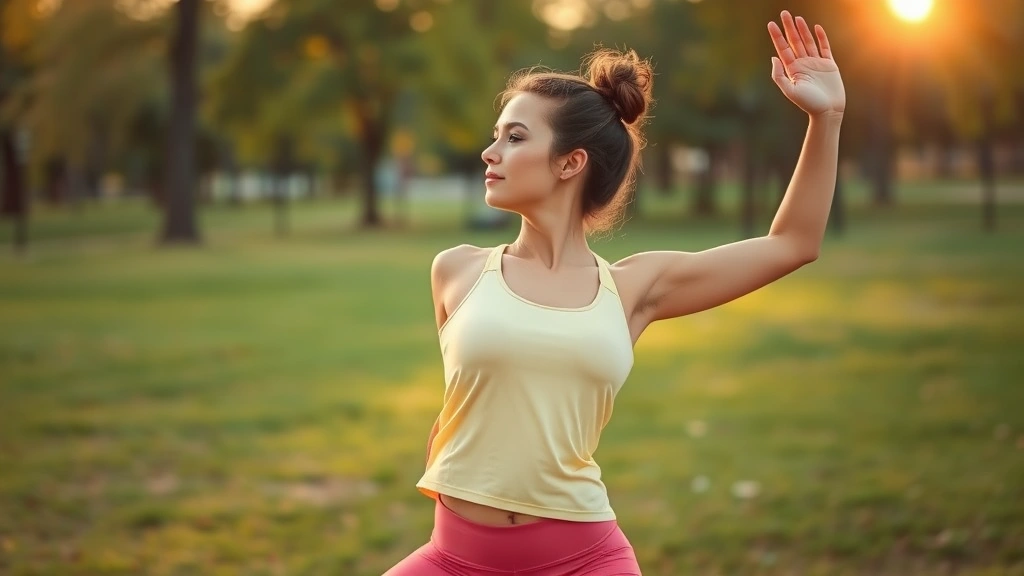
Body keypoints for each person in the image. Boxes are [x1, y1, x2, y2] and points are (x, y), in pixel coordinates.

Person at [385, 10, 845, 575]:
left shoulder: (632, 289)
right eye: (495, 135)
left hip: (583, 560)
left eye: (515, 137)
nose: (490, 152)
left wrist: (828, 119)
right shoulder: (455, 271)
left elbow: (794, 242)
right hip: (454, 558)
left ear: (570, 162)